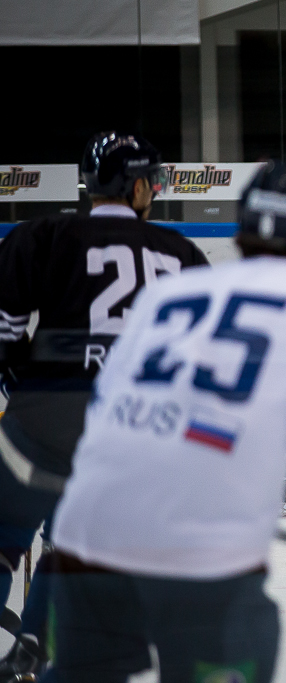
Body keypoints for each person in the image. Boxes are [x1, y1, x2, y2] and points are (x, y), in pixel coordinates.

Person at [40, 162, 286, 683]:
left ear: (240, 232)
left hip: (83, 534)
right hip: (203, 555)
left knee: (82, 674)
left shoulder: (171, 294)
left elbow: (108, 404)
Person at [0, 131, 209, 681]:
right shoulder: (181, 253)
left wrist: (26, 386)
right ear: (138, 185)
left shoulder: (42, 235)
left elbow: (6, 333)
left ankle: (25, 645)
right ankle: (34, 646)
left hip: (44, 415)